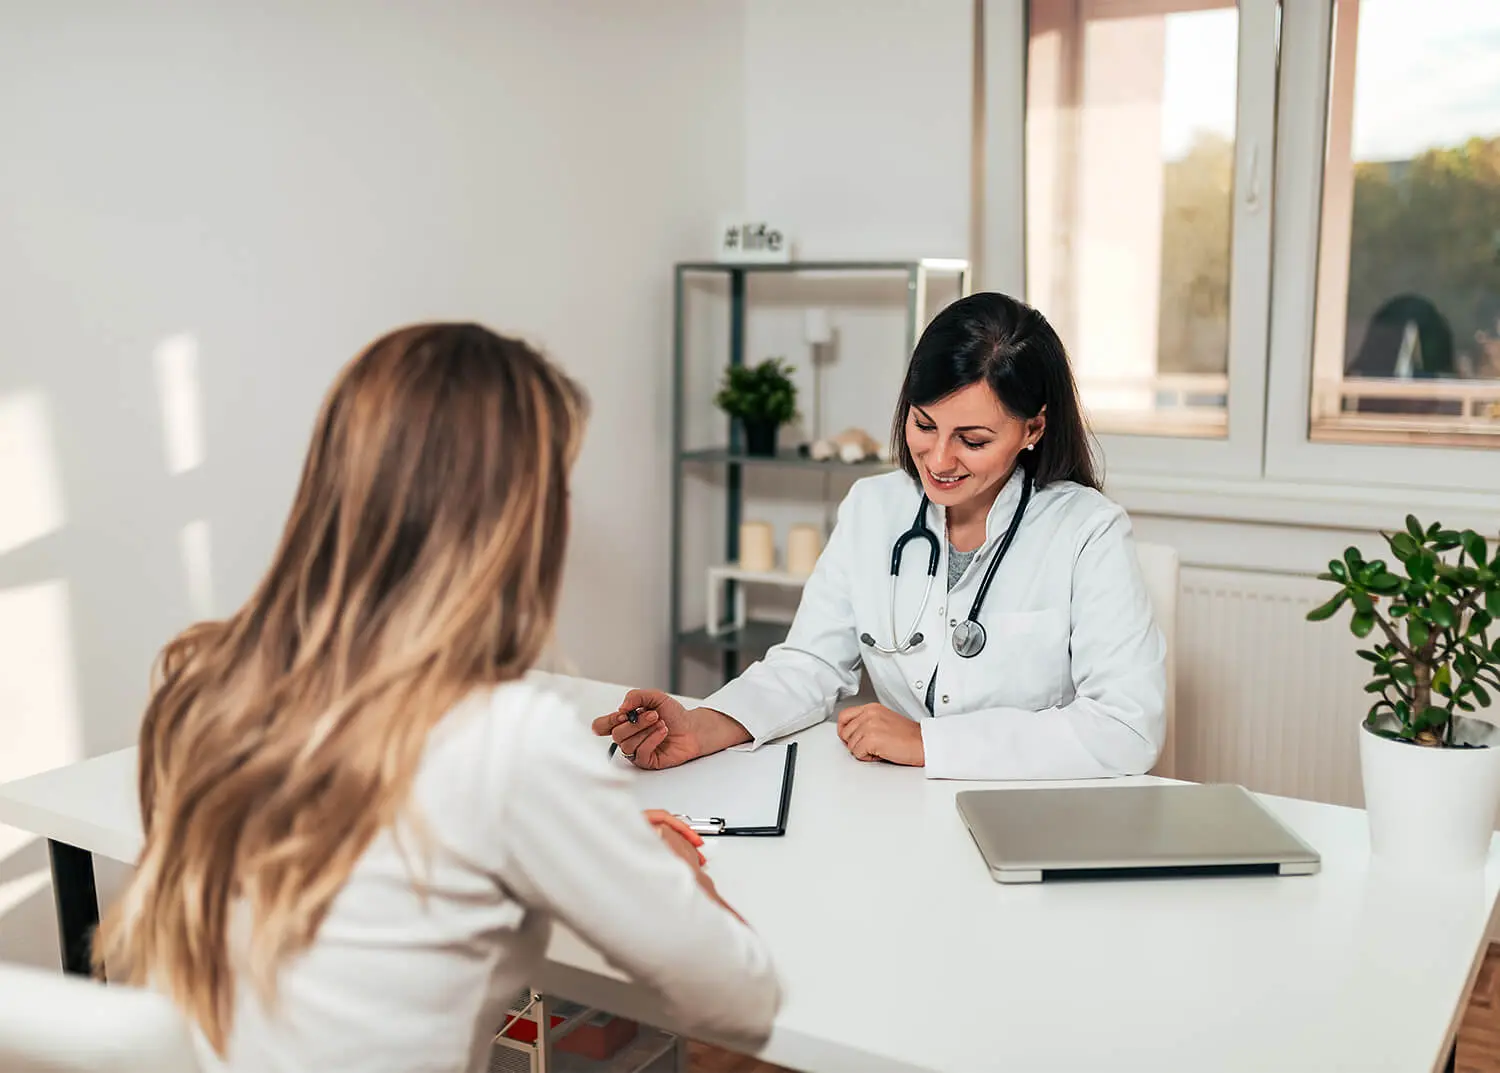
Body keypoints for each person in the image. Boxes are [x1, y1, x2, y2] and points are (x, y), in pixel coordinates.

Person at [93, 324, 780, 1073]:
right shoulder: (502, 739)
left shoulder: (207, 679)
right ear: (513, 519)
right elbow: (738, 999)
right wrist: (670, 865)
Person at [596, 292, 1166, 781]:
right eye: (924, 425)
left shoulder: (1088, 531)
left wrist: (928, 743)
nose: (938, 459)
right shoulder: (874, 507)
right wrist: (702, 727)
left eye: (972, 439)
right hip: (901, 804)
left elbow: (1125, 727)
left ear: (1033, 428)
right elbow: (811, 663)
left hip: (1034, 813)